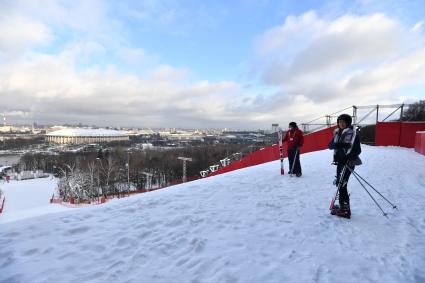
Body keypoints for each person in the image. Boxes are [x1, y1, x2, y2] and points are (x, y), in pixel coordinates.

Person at [328, 114, 362, 218]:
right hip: (340, 162)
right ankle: (343, 206)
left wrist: (348, 157)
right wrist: (339, 144)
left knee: (342, 184)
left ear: (348, 122)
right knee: (340, 183)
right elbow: (329, 145)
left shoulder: (353, 134)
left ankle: (346, 209)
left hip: (349, 162)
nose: (341, 124)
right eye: (339, 122)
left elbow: (358, 150)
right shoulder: (337, 133)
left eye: (343, 122)